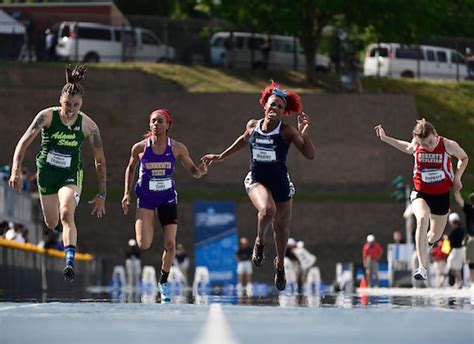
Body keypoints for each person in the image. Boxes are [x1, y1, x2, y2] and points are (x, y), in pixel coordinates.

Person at [201, 81, 316, 291]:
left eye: (280, 107)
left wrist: (305, 134)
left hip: (281, 183)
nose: (275, 109)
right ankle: (260, 243)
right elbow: (243, 140)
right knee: (267, 210)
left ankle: (280, 265)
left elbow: (310, 155)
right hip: (257, 180)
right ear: (264, 106)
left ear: (284, 112)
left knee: (281, 227)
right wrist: (220, 156)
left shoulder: (287, 132)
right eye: (272, 105)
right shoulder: (253, 125)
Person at [9, 64, 107, 282]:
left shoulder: (88, 126)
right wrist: (16, 169)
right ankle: (57, 233)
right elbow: (23, 143)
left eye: (75, 105)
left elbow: (100, 161)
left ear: (81, 105)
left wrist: (102, 194)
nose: (71, 109)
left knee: (66, 213)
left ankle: (69, 260)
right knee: (51, 222)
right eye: (66, 104)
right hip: (47, 175)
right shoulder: (47, 117)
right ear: (59, 101)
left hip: (70, 176)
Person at [121, 109, 208, 303]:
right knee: (144, 244)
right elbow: (131, 167)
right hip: (146, 198)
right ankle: (148, 220)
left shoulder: (177, 148)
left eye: (160, 121)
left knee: (170, 244)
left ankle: (163, 281)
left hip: (167, 198)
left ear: (168, 125)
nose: (156, 124)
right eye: (153, 121)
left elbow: (193, 171)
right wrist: (126, 193)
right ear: (149, 125)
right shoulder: (140, 148)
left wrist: (200, 171)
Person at [374, 119, 469, 281]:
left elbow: (464, 158)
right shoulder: (417, 144)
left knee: (435, 235)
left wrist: (457, 178)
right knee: (422, 219)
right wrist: (385, 138)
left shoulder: (448, 145)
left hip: (441, 196)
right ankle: (422, 267)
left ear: (435, 135)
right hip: (421, 193)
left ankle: (428, 243)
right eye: (424, 145)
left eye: (431, 142)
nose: (429, 147)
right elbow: (406, 147)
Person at [454, 191, 474, 286]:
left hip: (471, 239)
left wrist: (456, 191)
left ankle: (472, 282)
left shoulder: (469, 208)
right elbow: (459, 200)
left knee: (471, 262)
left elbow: (459, 200)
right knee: (471, 262)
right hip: (471, 239)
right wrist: (456, 191)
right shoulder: (469, 208)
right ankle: (472, 282)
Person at [446, 212, 466, 288]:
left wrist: (448, 238)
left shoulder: (458, 230)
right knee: (456, 267)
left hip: (457, 250)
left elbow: (453, 240)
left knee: (451, 266)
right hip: (457, 250)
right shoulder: (460, 229)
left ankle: (460, 280)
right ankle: (458, 282)